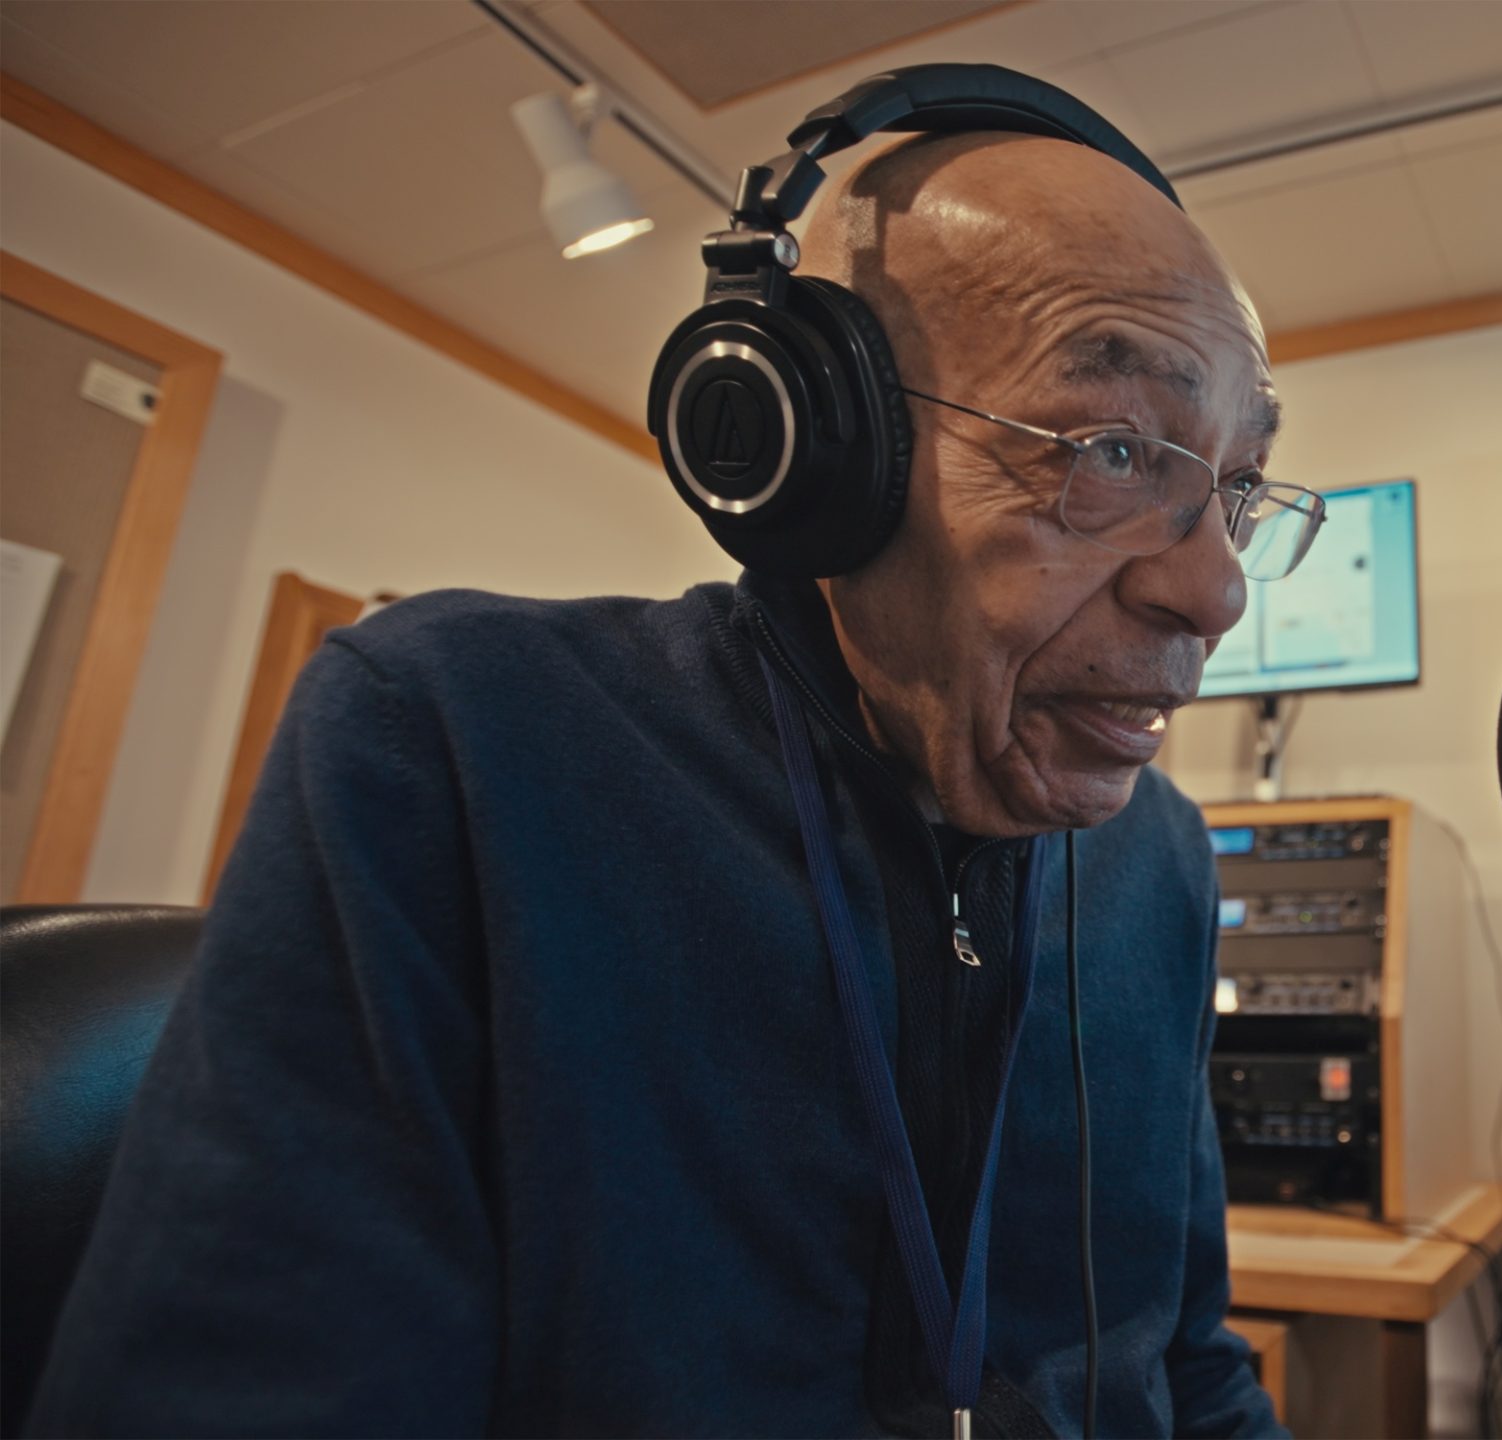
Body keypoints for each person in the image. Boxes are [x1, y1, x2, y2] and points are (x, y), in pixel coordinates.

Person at [32, 103, 1319, 1438]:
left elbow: (1188, 1369)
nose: (1217, 591)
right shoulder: (457, 740)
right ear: (820, 451)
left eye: (1238, 488)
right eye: (1114, 450)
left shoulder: (1161, 855)